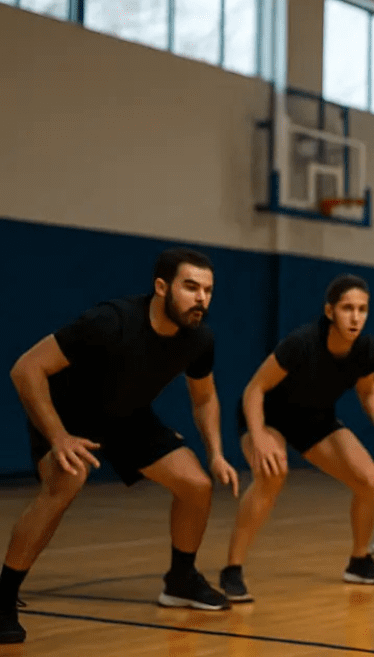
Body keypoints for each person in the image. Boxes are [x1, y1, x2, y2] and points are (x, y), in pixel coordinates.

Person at [0, 248, 237, 642]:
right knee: (67, 482)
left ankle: (180, 580)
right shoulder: (111, 321)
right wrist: (58, 436)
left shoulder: (198, 338)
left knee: (196, 485)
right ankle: (4, 596)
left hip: (127, 417)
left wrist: (215, 453)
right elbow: (26, 368)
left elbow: (205, 398)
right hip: (68, 416)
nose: (201, 299)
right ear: (161, 287)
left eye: (208, 290)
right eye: (191, 287)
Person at [221, 274, 374, 602]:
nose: (355, 317)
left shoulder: (365, 350)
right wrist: (258, 437)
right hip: (268, 416)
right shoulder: (301, 343)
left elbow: (368, 390)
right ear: (330, 311)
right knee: (272, 475)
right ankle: (232, 569)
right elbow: (254, 389)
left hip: (315, 420)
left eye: (362, 309)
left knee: (369, 480)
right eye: (347, 308)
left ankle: (359, 562)